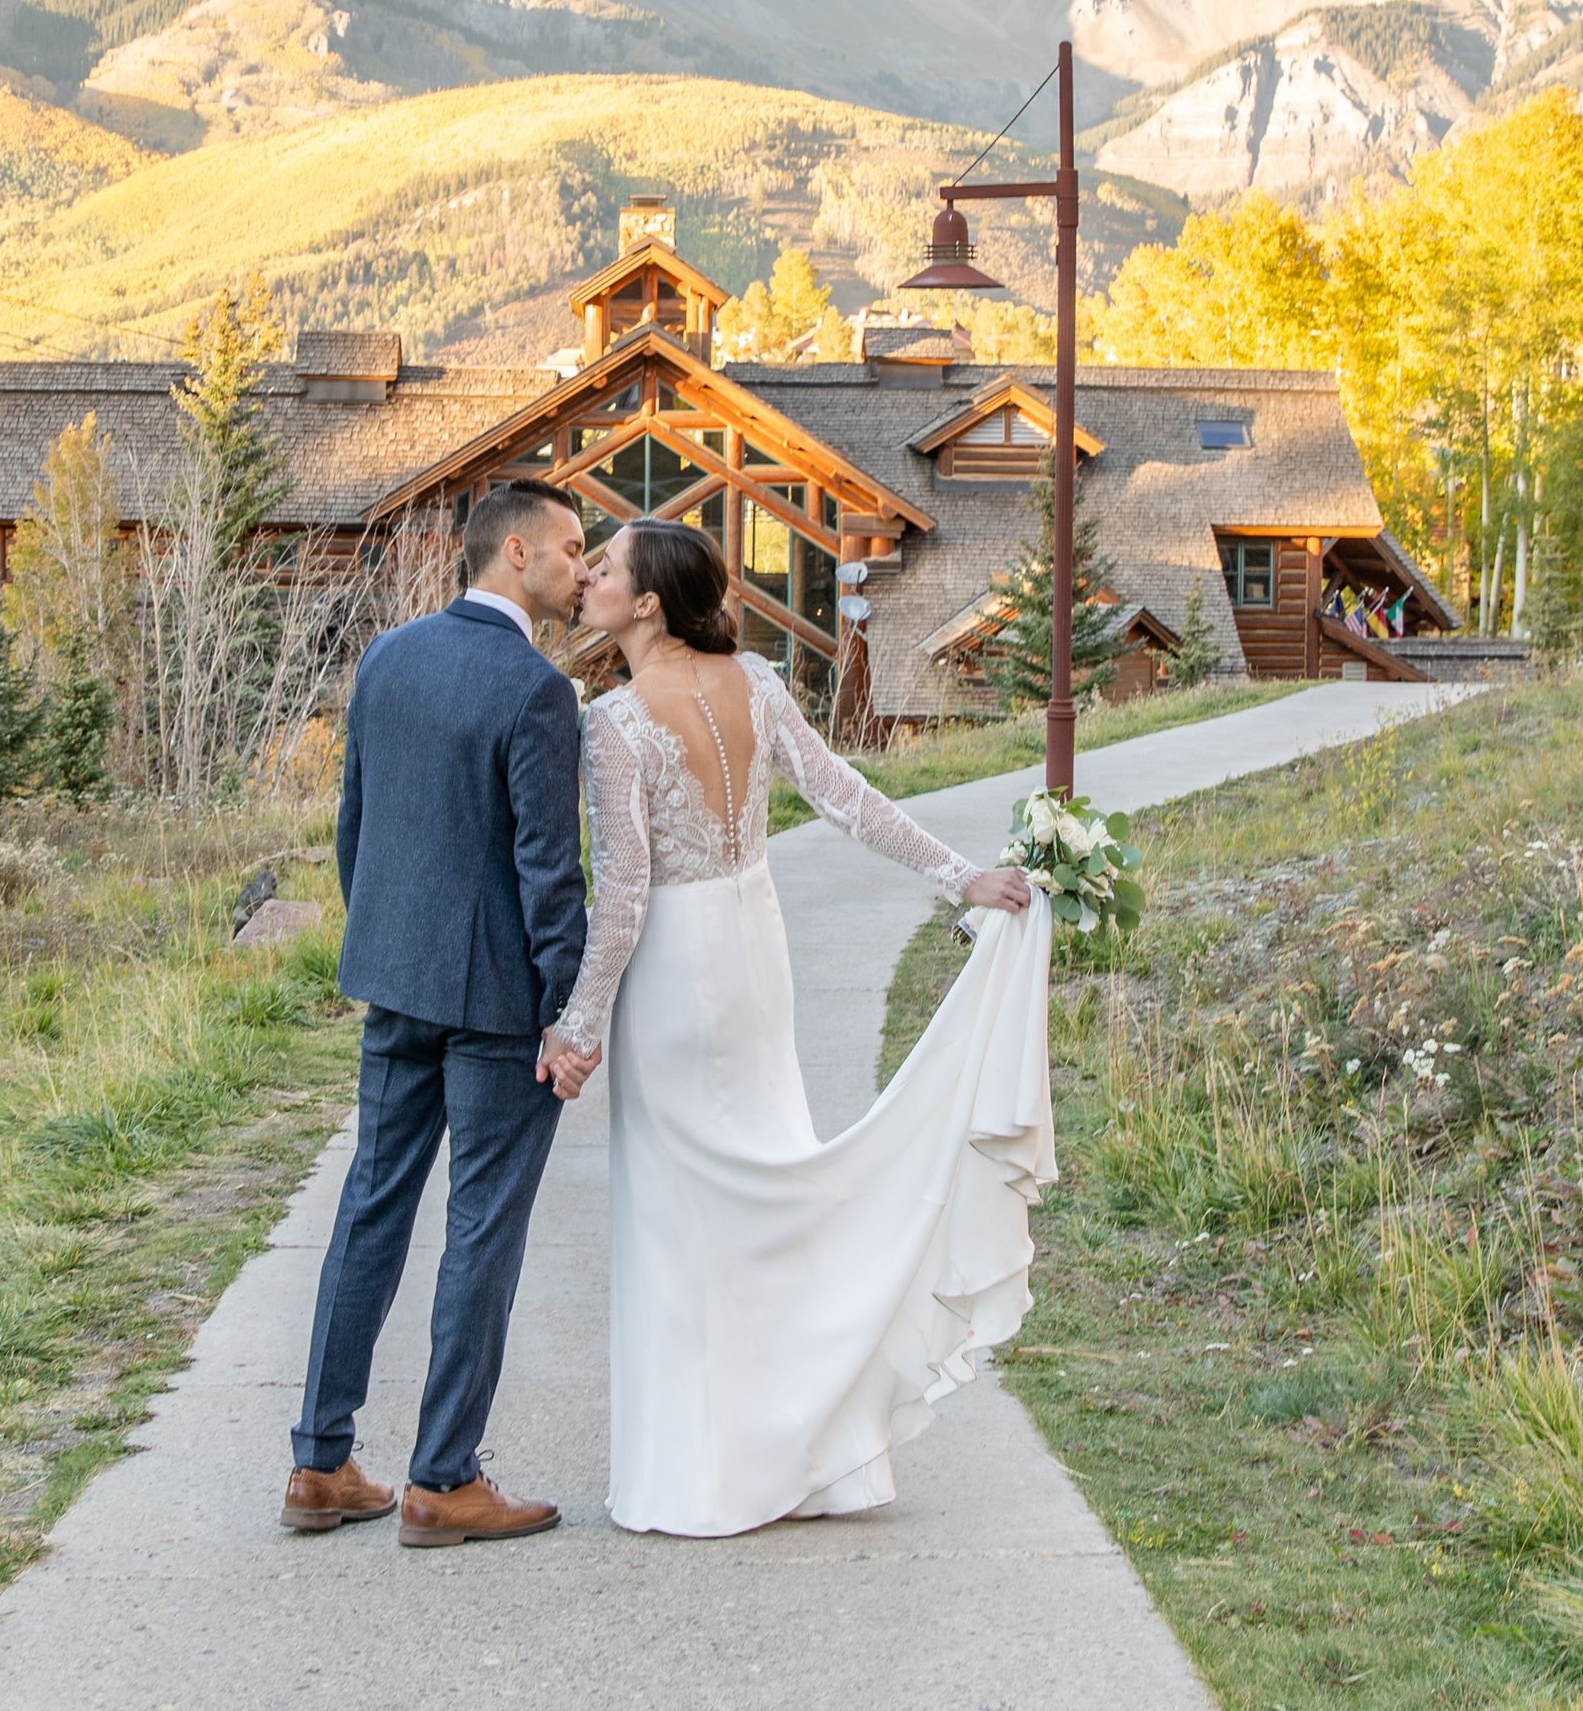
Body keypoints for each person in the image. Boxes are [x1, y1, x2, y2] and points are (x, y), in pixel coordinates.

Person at [541, 517, 1054, 1537]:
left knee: (684, 1217)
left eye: (603, 567)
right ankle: (813, 1455)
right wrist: (957, 875)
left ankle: (703, 1470)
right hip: (751, 944)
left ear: (646, 602)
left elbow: (627, 896)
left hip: (678, 971)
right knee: (769, 1174)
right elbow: (845, 799)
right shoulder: (760, 683)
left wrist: (578, 1026)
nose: (585, 576)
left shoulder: (614, 721)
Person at [282, 477, 593, 1549]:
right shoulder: (536, 689)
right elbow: (551, 873)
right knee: (480, 1228)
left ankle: (318, 1462)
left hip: (395, 975)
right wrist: (567, 1009)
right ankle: (443, 1479)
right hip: (498, 1003)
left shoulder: (388, 658)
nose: (583, 569)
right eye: (570, 549)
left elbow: (354, 824)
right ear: (513, 552)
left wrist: (381, 940)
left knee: (371, 1205)